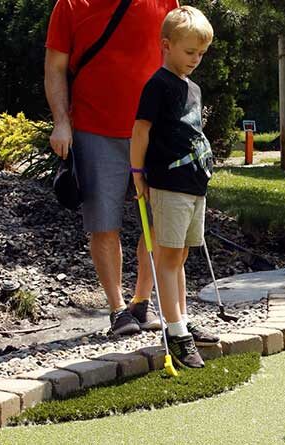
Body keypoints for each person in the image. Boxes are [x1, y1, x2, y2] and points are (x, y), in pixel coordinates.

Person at [44, 0, 178, 335]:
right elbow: (55, 67)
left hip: (153, 130)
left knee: (159, 221)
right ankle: (118, 310)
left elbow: (177, 58)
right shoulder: (71, 5)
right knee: (103, 223)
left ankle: (142, 303)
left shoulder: (164, 2)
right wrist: (61, 122)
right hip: (94, 129)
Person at [130, 5, 220, 368]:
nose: (196, 59)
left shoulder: (192, 88)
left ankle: (181, 318)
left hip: (193, 185)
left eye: (201, 54)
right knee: (167, 257)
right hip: (168, 184)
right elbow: (141, 130)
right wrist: (137, 171)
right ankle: (176, 331)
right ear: (166, 45)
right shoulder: (157, 85)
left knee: (180, 256)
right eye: (189, 52)